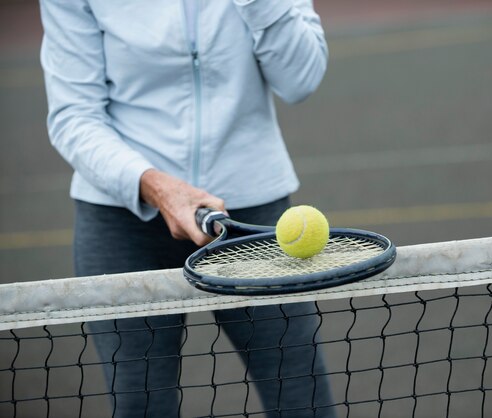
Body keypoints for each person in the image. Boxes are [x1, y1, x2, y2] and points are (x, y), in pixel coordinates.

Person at [38, 0, 334, 417]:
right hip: (123, 221)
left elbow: (300, 80)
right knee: (142, 407)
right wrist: (155, 186)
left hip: (251, 222)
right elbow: (74, 115)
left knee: (301, 401)